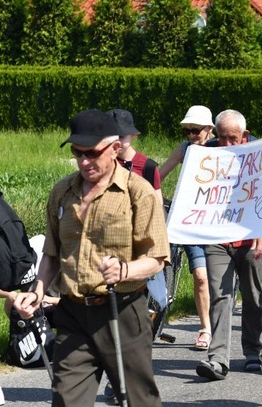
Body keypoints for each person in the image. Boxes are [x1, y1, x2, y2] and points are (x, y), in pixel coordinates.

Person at [13, 108, 169, 406]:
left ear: (114, 148)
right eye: (77, 153)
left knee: (138, 400)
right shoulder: (63, 191)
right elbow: (51, 254)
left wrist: (124, 270)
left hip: (121, 311)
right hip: (72, 314)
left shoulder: (139, 193)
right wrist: (37, 293)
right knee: (66, 401)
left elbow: (156, 258)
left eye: (91, 153)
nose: (84, 161)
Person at [196, 109, 262, 381]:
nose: (227, 144)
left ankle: (252, 350)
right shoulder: (206, 157)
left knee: (252, 296)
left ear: (245, 136)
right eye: (223, 137)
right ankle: (218, 359)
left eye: (233, 138)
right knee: (220, 295)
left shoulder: (258, 158)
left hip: (250, 239)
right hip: (218, 239)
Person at [160, 105, 214, 351]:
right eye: (188, 131)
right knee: (201, 278)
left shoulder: (222, 149)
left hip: (218, 222)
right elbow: (158, 176)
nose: (192, 136)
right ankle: (205, 328)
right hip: (191, 221)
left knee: (218, 278)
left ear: (210, 129)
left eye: (196, 130)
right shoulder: (184, 150)